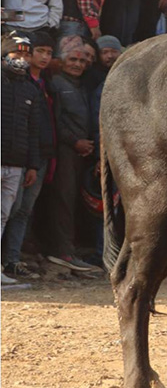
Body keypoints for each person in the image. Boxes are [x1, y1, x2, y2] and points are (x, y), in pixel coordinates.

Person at [2, 30, 53, 278]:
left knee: (6, 214)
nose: (20, 59)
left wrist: (32, 164)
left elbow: (33, 131)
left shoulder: (30, 90)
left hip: (18, 163)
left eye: (25, 54)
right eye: (15, 53)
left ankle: (7, 264)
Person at [45, 42, 99, 272]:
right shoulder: (57, 84)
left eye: (82, 61)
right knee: (63, 200)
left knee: (74, 202)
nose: (78, 64)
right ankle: (62, 252)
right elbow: (54, 121)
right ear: (62, 61)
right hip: (64, 151)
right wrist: (74, 142)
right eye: (73, 60)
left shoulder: (82, 86)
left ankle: (69, 249)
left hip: (81, 152)